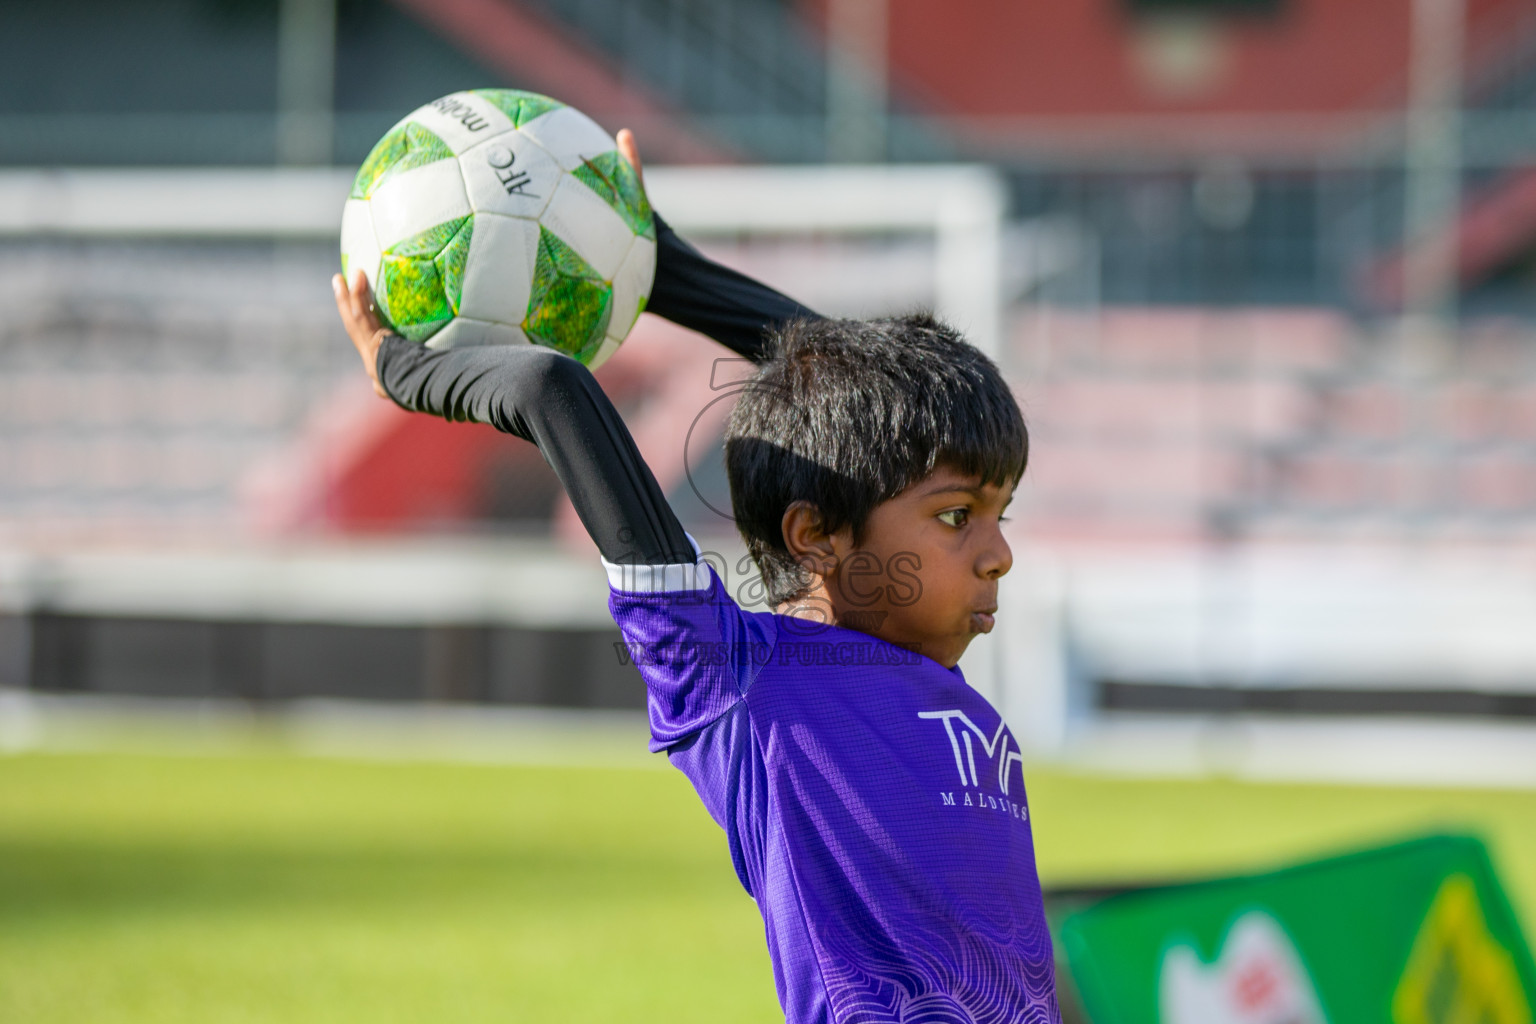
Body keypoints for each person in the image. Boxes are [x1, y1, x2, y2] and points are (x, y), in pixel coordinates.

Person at [331, 130, 1056, 1024]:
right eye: (957, 517)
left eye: (999, 514)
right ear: (817, 537)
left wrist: (662, 264)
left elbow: (858, 398)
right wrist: (406, 370)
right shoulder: (736, 675)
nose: (999, 553)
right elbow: (554, 390)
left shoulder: (936, 685)